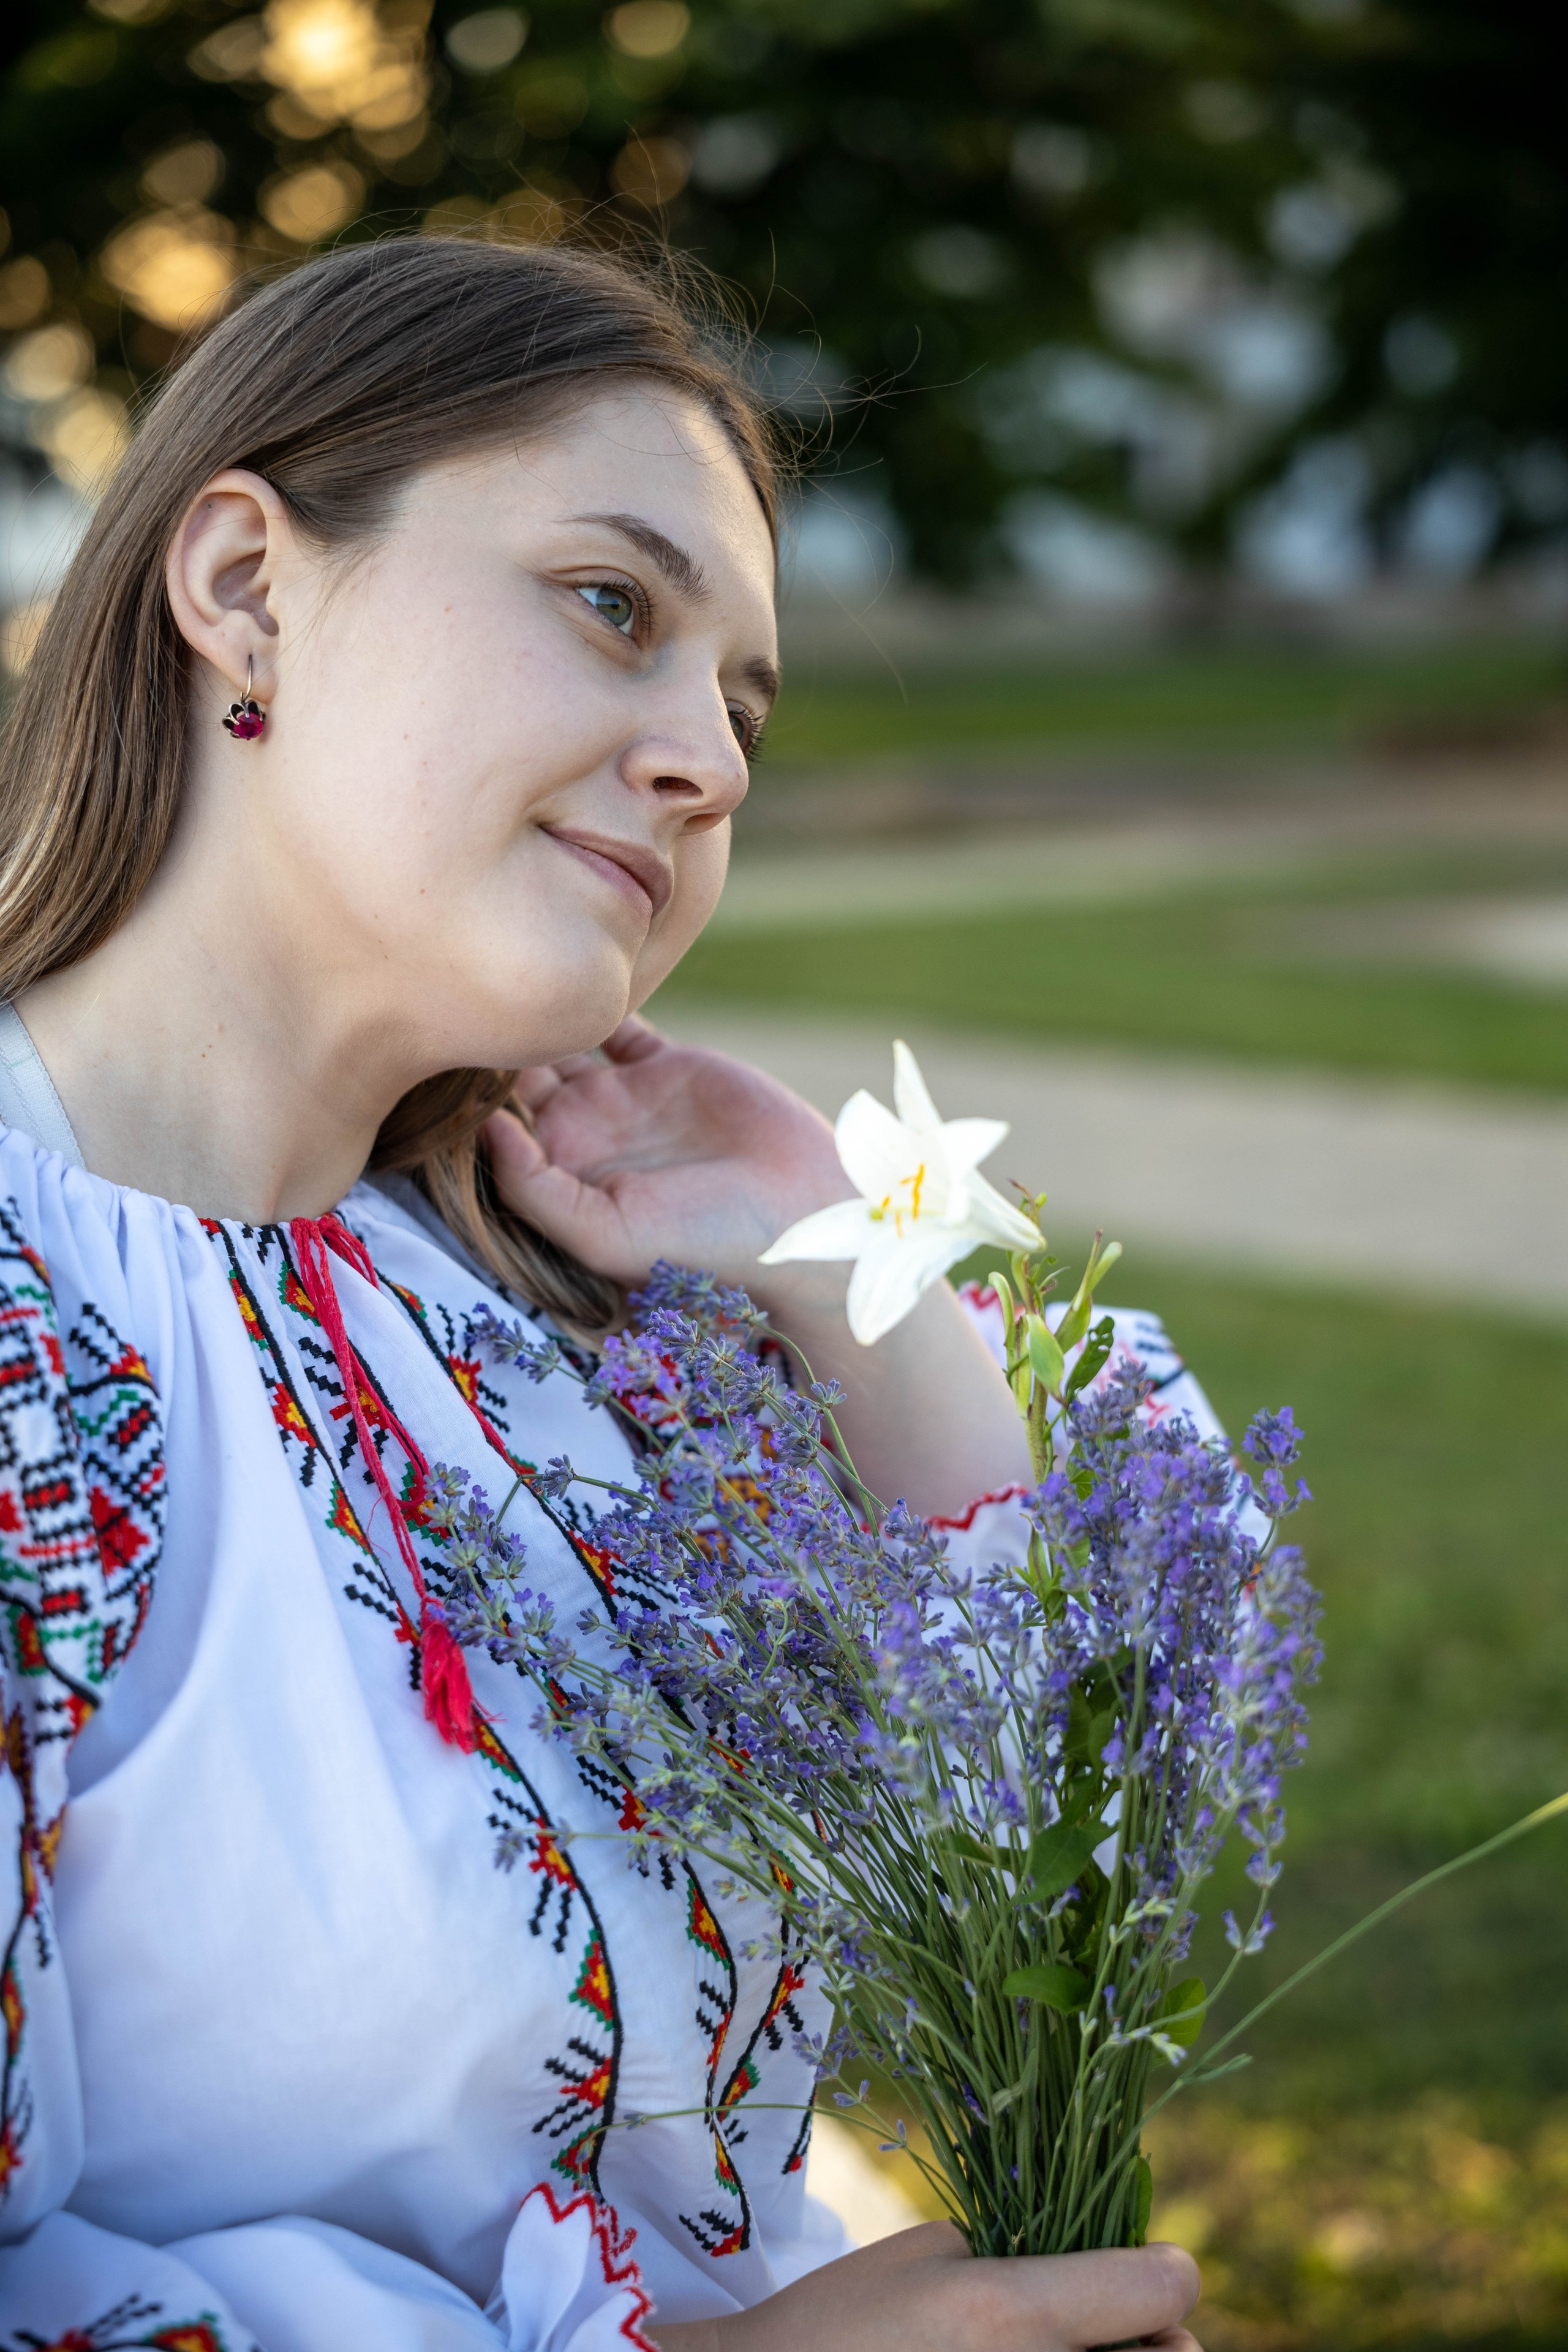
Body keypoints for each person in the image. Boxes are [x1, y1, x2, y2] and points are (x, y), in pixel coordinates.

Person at [0, 236, 1204, 2351]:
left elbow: (1062, 1851)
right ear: (243, 585)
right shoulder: (34, 1339)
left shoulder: (566, 1326)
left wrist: (852, 1272)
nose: (711, 763)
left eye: (740, 705)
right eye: (611, 609)